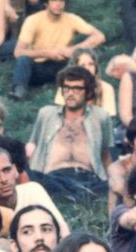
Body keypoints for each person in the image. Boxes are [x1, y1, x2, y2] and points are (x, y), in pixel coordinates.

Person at [27, 66, 112, 200]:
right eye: (66, 88)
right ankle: (73, 196)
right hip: (53, 177)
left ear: (88, 92)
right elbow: (34, 147)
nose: (70, 93)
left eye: (77, 88)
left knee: (113, 184)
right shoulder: (46, 113)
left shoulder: (101, 117)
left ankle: (75, 195)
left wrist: (111, 180)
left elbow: (105, 154)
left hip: (89, 178)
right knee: (38, 180)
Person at [10, 0, 105, 101]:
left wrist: (74, 50)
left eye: (61, 0)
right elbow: (18, 52)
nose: (58, 4)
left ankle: (86, 88)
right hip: (38, 66)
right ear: (46, 3)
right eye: (54, 0)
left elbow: (100, 36)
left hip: (62, 65)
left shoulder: (71, 18)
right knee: (23, 60)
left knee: (82, 59)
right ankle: (19, 90)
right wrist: (47, 53)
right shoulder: (33, 20)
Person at [0, 146, 69, 235]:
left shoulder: (32, 191)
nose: (3, 179)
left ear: (15, 170)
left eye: (7, 170)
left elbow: (62, 230)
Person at [53, 48, 117, 116]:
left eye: (91, 64)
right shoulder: (66, 85)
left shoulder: (106, 88)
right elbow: (61, 114)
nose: (87, 68)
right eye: (83, 65)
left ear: (96, 67)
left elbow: (107, 118)